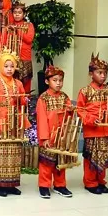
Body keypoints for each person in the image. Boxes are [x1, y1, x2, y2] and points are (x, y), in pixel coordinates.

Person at [0, 48, 31, 197]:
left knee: (15, 152)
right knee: (1, 153)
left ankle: (11, 183)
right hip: (1, 120)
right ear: (0, 66)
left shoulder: (18, 83)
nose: (9, 69)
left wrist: (23, 99)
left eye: (12, 66)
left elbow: (22, 102)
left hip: (15, 120)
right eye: (6, 66)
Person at [76, 53, 108, 195]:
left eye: (105, 73)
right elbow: (80, 110)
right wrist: (91, 119)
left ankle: (101, 180)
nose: (103, 76)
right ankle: (90, 182)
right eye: (99, 73)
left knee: (103, 155)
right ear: (91, 74)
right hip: (92, 129)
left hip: (106, 129)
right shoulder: (85, 91)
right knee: (91, 157)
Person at [36, 65, 74, 199]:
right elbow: (41, 119)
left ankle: (60, 185)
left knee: (60, 161)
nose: (58, 83)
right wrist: (44, 138)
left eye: (60, 80)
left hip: (62, 135)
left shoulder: (64, 97)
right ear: (47, 81)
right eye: (55, 80)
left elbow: (69, 115)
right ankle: (44, 186)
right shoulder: (43, 98)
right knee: (46, 162)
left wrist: (71, 110)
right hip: (49, 136)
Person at [2, 2, 35, 93]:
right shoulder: (8, 26)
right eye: (15, 12)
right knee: (11, 81)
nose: (17, 14)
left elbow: (29, 39)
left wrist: (17, 30)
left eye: (19, 12)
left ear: (24, 14)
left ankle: (24, 104)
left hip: (24, 57)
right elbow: (3, 42)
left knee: (25, 82)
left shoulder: (29, 25)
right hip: (11, 58)